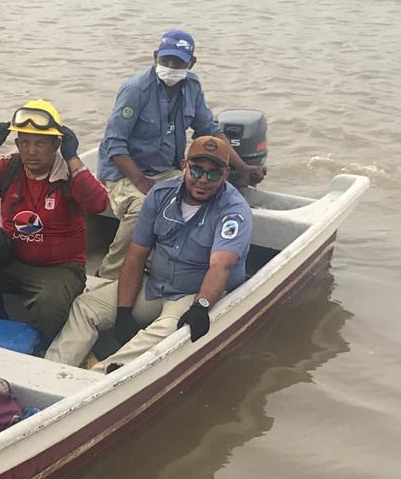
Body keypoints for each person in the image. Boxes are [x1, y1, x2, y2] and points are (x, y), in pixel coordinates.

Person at [46, 135, 253, 371]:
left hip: (193, 292)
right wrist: (124, 310)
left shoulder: (234, 211)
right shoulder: (160, 195)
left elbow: (221, 266)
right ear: (185, 166)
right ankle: (51, 372)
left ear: (225, 175)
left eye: (214, 173)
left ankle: (103, 376)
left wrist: (202, 306)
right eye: (197, 170)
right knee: (85, 307)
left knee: (171, 328)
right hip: (157, 283)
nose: (203, 180)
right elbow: (136, 254)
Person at [96, 29, 265, 280]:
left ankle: (171, 264)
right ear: (155, 57)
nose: (171, 66)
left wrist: (241, 168)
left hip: (166, 168)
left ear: (191, 62)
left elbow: (210, 130)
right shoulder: (135, 90)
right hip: (125, 172)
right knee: (145, 206)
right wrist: (143, 184)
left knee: (202, 194)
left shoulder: (192, 87)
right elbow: (114, 144)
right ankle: (108, 273)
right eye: (166, 60)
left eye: (178, 62)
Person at [0, 100, 110, 347]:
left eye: (40, 143)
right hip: (11, 260)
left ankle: (42, 348)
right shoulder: (9, 168)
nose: (31, 151)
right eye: (25, 142)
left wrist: (73, 158)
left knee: (50, 304)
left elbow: (98, 204)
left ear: (56, 145)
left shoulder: (69, 175)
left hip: (58, 269)